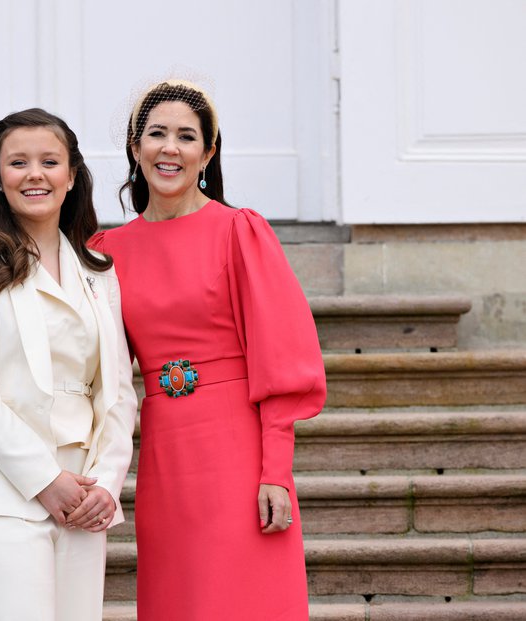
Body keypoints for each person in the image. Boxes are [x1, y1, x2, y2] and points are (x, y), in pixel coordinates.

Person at [90, 79, 327, 620]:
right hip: (166, 455)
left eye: (186, 136)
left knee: (244, 599)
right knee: (180, 599)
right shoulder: (106, 252)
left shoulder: (239, 231)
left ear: (208, 153)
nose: (169, 148)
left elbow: (282, 360)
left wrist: (276, 473)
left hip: (237, 449)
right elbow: (96, 367)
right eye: (156, 134)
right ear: (135, 147)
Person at [0, 108, 137, 621]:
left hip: (84, 492)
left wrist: (106, 484)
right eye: (18, 162)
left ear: (71, 177)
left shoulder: (100, 273)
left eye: (50, 161)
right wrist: (45, 480)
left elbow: (116, 390)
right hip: (2, 491)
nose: (35, 174)